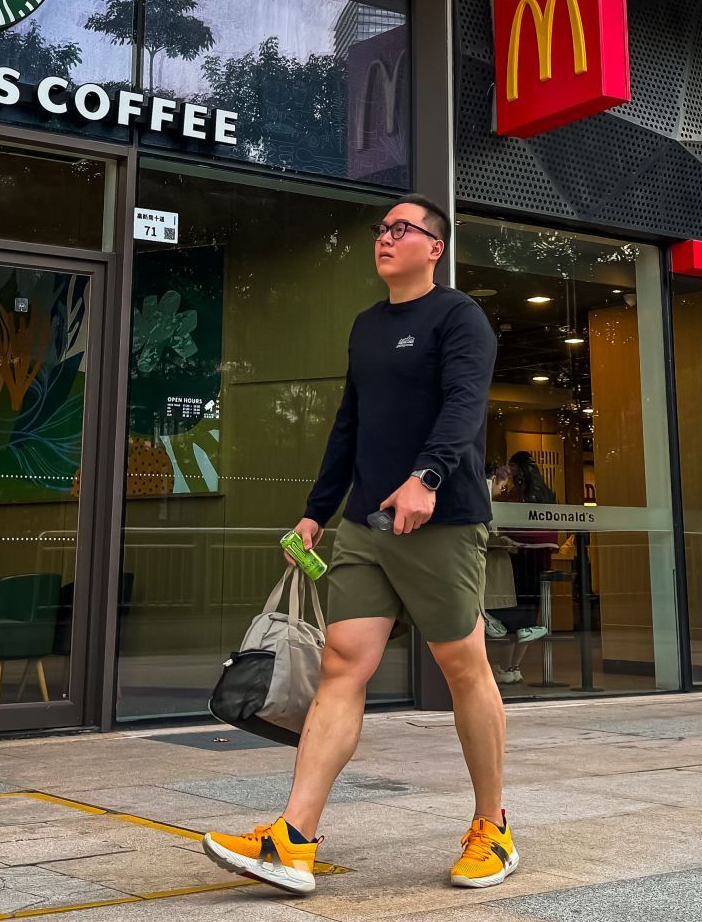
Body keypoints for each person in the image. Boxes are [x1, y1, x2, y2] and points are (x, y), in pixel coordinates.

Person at [203, 195, 513, 896]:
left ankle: (491, 828)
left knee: (463, 667)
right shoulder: (368, 327)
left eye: (402, 229)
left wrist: (425, 477)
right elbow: (350, 423)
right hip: (364, 528)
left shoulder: (459, 317)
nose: (386, 237)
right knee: (342, 665)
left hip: (441, 519)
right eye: (382, 228)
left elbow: (465, 406)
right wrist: (316, 513)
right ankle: (294, 837)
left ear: (435, 247)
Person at [483, 453, 557, 684]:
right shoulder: (547, 494)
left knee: (510, 616)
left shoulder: (516, 496)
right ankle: (513, 666)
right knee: (525, 618)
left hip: (518, 559)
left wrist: (507, 540)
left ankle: (504, 666)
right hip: (539, 559)